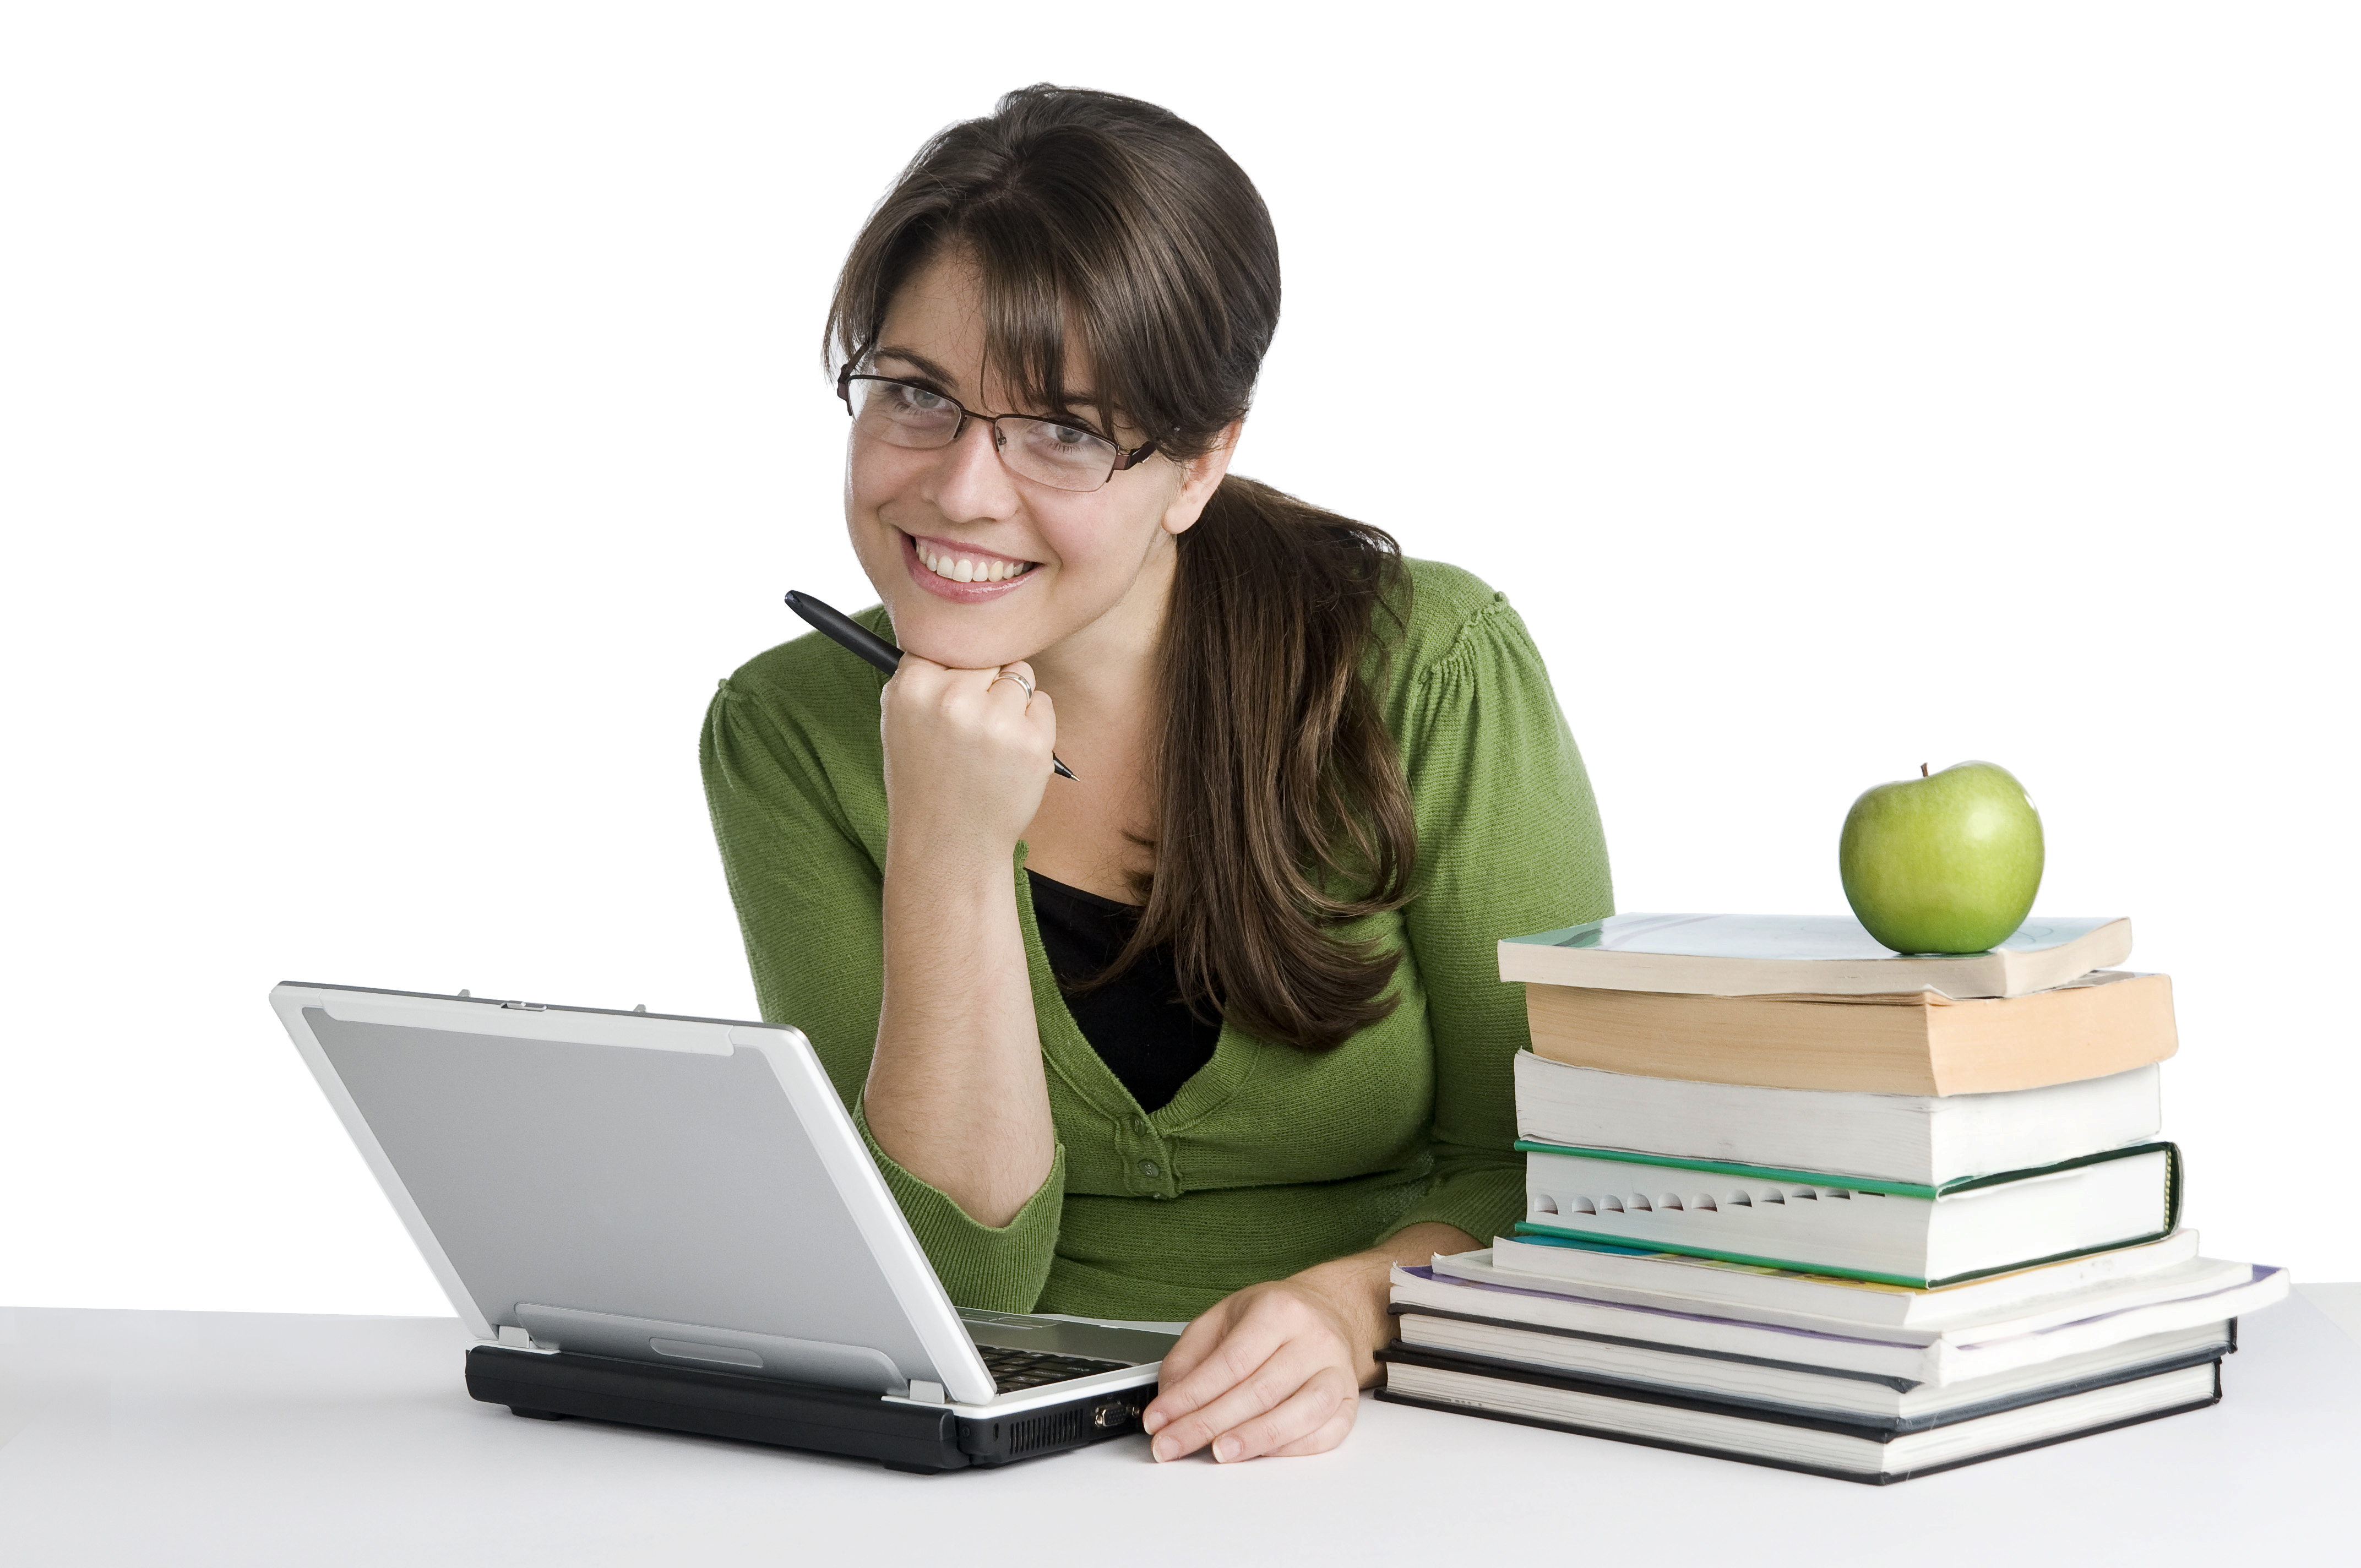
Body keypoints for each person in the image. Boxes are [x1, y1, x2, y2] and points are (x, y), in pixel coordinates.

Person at [701, 84, 1611, 1464]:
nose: (959, 491)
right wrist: (947, 848)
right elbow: (954, 1291)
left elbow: (1561, 1163)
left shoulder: (1429, 666)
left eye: (1063, 430)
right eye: (915, 395)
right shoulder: (789, 731)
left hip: (1416, 1443)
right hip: (1004, 1477)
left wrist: (1353, 1305)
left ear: (1197, 465)